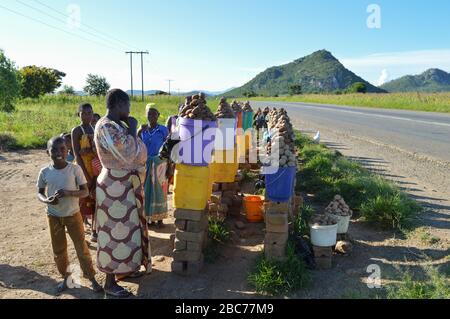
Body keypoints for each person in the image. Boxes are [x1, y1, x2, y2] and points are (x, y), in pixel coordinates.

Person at [94, 89, 150, 298]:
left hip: (123, 186)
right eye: (127, 105)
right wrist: (134, 129)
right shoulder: (107, 127)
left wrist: (133, 139)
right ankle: (109, 283)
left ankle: (125, 269)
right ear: (118, 104)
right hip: (113, 188)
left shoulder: (117, 126)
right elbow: (130, 153)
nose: (129, 110)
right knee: (113, 235)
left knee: (128, 232)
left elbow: (141, 154)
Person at [37, 136, 103, 294]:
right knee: (59, 250)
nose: (59, 152)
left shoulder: (75, 169)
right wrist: (47, 200)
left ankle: (91, 277)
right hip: (53, 216)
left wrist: (68, 192)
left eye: (62, 149)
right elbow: (39, 193)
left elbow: (85, 191)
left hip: (73, 215)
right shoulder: (45, 172)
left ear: (68, 151)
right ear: (48, 152)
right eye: (54, 149)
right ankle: (66, 278)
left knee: (81, 247)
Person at [138, 104, 169, 229]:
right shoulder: (142, 129)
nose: (151, 116)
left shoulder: (163, 129)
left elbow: (169, 147)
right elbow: (134, 143)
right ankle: (149, 218)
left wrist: (170, 166)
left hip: (160, 164)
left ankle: (160, 218)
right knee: (146, 191)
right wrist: (139, 130)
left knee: (160, 191)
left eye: (154, 113)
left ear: (158, 115)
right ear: (146, 115)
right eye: (149, 113)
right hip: (145, 164)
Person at [71, 104, 96, 229]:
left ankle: (93, 229)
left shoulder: (94, 129)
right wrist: (86, 175)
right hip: (82, 169)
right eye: (84, 113)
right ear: (78, 114)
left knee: (94, 200)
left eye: (89, 113)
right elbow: (77, 154)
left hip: (94, 169)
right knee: (81, 201)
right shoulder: (76, 131)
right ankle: (79, 231)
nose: (87, 116)